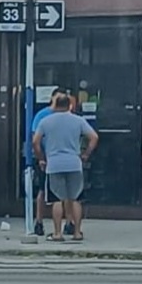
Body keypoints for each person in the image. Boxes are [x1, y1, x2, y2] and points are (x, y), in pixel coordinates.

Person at [33, 94, 98, 242]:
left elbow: (35, 142)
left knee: (56, 199)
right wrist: (85, 154)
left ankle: (57, 233)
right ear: (69, 105)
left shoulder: (46, 121)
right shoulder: (78, 120)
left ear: (55, 104)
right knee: (75, 198)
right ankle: (77, 233)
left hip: (54, 164)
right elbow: (94, 137)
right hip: (74, 164)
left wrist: (41, 158)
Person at [29, 87, 68, 236]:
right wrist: (40, 157)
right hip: (46, 157)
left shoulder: (66, 115)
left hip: (61, 156)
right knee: (43, 189)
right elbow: (35, 137)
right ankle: (39, 222)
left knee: (65, 192)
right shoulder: (42, 115)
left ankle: (68, 223)